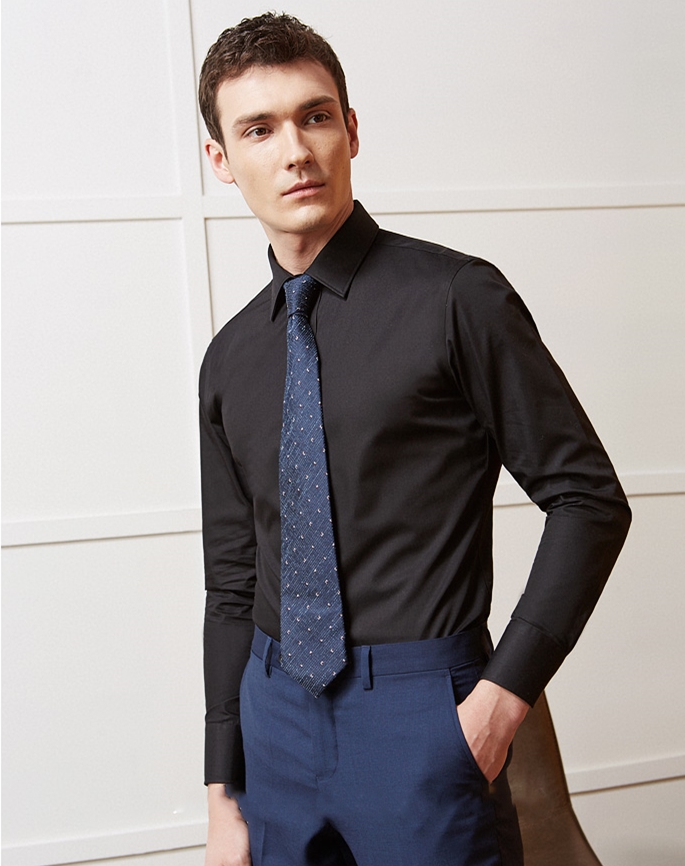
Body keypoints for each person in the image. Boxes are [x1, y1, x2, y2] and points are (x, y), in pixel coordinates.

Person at [197, 12, 631, 866]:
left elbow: (587, 499)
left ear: (352, 130)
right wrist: (222, 787)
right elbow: (233, 580)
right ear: (221, 159)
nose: (296, 151)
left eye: (315, 117)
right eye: (259, 129)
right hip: (272, 725)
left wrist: (501, 700)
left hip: (423, 717)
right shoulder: (230, 356)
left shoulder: (458, 299)